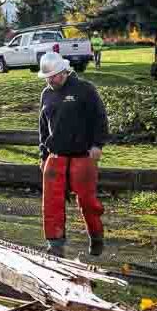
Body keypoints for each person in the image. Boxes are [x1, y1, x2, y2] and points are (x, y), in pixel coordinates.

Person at [37, 52, 108, 258]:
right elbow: (43, 127)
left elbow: (100, 118)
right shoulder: (46, 94)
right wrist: (43, 154)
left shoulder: (85, 89)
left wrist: (97, 144)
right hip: (55, 155)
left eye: (53, 76)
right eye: (47, 77)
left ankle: (96, 236)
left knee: (87, 201)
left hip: (83, 155)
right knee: (51, 202)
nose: (50, 81)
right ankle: (55, 245)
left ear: (64, 72)